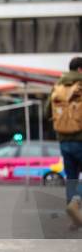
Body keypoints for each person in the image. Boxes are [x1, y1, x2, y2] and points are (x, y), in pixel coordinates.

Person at [46, 56, 82, 230]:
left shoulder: (57, 86)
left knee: (71, 177)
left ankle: (74, 218)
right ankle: (77, 201)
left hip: (63, 141)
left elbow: (47, 111)